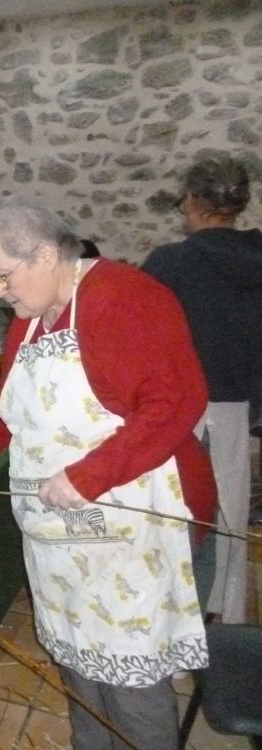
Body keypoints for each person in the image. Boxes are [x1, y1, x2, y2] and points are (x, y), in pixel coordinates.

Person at [0, 199, 215, 750]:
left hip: (130, 530)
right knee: (78, 661)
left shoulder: (128, 298)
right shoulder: (30, 322)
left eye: (3, 276)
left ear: (49, 254)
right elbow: (4, 412)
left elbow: (175, 401)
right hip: (59, 537)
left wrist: (88, 476)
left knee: (131, 680)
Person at [143, 154, 262, 624]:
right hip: (239, 406)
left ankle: (174, 618)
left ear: (193, 201)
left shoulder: (171, 263)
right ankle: (222, 617)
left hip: (179, 407)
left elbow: (139, 335)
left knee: (178, 515)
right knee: (229, 512)